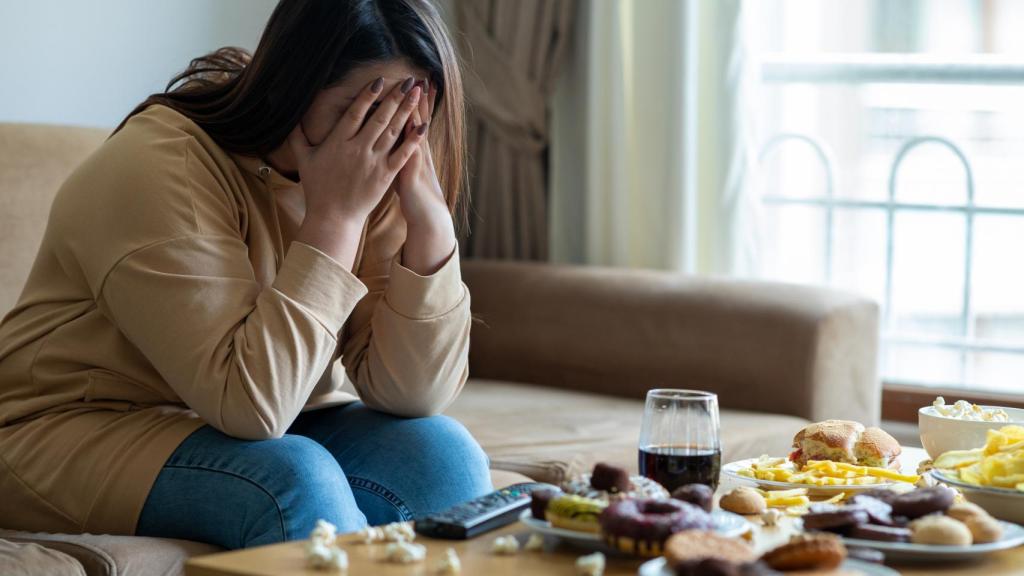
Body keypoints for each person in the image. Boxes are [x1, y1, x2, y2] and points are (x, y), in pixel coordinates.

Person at [0, 0, 492, 549]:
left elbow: (409, 393)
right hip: (72, 429)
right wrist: (336, 219)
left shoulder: (379, 169)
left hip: (244, 421)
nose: (380, 137)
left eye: (405, 116)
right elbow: (252, 406)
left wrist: (430, 224)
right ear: (291, 85)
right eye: (361, 110)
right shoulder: (157, 165)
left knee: (443, 458)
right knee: (293, 480)